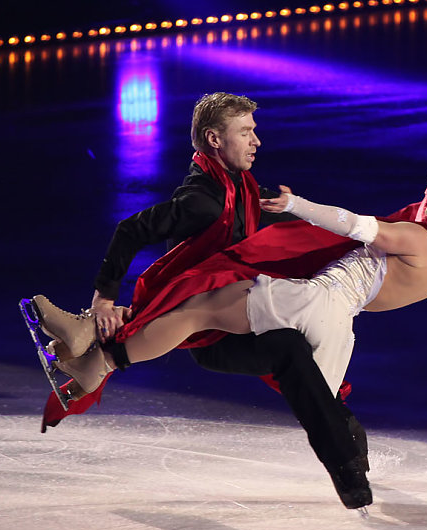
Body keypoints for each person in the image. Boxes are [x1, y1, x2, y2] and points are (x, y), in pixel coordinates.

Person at [33, 177, 427, 509]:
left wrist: (295, 206)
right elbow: (379, 275)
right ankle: (352, 467)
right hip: (336, 327)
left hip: (313, 303)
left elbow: (358, 226)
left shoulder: (424, 241)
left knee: (198, 307)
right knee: (240, 349)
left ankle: (100, 363)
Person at [44, 91, 370, 508]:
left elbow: (293, 225)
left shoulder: (243, 188)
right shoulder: (203, 200)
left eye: (255, 131)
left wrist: (369, 231)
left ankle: (344, 450)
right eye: (246, 132)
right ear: (215, 139)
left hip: (232, 313)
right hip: (209, 335)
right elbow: (130, 230)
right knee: (292, 347)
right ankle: (95, 343)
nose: (257, 141)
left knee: (293, 347)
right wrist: (105, 296)